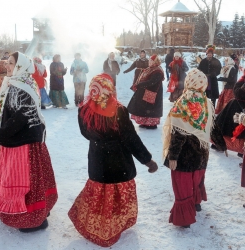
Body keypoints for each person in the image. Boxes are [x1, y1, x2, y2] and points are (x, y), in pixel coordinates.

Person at [68, 73, 158, 247]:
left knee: (99, 193)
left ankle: (96, 225)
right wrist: (147, 160)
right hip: (119, 162)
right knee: (115, 196)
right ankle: (113, 225)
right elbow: (131, 139)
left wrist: (100, 140)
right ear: (108, 90)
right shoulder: (119, 111)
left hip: (97, 161)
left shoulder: (83, 110)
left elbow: (86, 134)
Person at [0, 51, 58, 232]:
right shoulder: (15, 82)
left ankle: (32, 218)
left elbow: (19, 118)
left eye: (11, 63)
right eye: (7, 63)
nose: (7, 66)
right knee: (32, 180)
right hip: (19, 140)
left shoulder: (23, 86)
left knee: (27, 180)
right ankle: (36, 212)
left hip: (24, 144)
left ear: (20, 66)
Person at [163, 68, 227, 228]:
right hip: (201, 153)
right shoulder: (206, 103)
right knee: (196, 179)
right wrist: (221, 143)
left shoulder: (183, 103)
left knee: (183, 185)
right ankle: (196, 203)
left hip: (184, 155)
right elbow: (213, 127)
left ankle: (184, 219)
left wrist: (173, 156)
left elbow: (179, 133)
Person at [127, 54, 164, 129]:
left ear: (155, 61)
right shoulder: (151, 68)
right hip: (147, 90)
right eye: (149, 61)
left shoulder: (157, 70)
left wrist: (140, 84)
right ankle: (145, 122)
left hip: (154, 92)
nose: (149, 62)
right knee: (145, 107)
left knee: (151, 108)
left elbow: (152, 82)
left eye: (151, 61)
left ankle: (152, 124)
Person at [213, 71, 245, 156]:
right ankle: (219, 144)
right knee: (224, 124)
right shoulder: (242, 80)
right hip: (235, 106)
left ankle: (242, 151)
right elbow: (237, 93)